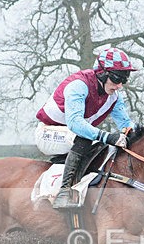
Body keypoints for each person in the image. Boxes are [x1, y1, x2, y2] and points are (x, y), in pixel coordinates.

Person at [35, 47, 137, 209]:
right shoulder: (79, 85)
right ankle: (64, 192)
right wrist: (107, 136)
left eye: (124, 80)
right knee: (86, 137)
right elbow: (75, 123)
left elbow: (126, 125)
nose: (119, 86)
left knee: (106, 146)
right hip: (48, 133)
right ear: (102, 73)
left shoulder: (114, 97)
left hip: (71, 136)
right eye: (117, 79)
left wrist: (140, 135)